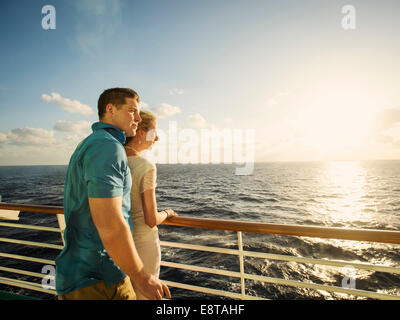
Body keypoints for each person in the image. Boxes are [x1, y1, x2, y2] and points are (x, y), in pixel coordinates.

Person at [55, 88, 171, 300]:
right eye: (131, 111)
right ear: (110, 109)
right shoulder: (107, 147)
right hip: (96, 278)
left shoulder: (91, 143)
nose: (137, 118)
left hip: (105, 272)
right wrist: (143, 278)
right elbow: (110, 223)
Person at [124, 110, 178, 300]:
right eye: (154, 131)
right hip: (143, 245)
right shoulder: (146, 166)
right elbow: (151, 219)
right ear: (139, 132)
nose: (157, 138)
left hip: (120, 247)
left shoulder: (113, 161)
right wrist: (167, 212)